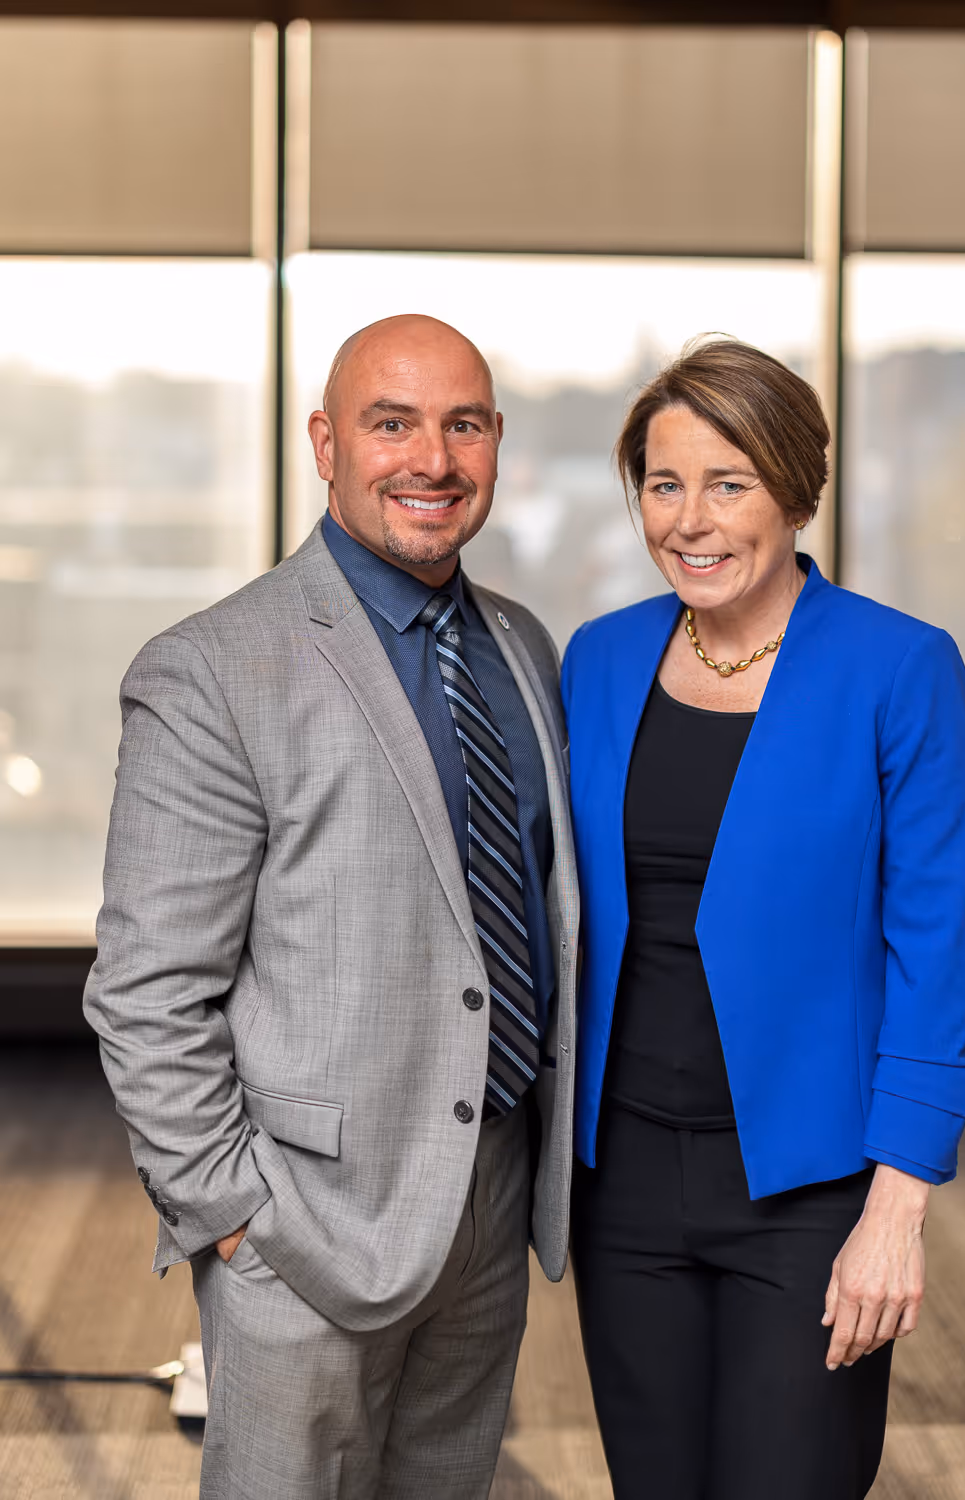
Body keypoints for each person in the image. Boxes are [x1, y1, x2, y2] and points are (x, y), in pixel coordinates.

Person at [84, 314, 578, 1500]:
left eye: (463, 424)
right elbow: (147, 992)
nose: (432, 458)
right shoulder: (213, 667)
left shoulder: (523, 646)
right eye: (390, 422)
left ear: (497, 443)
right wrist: (232, 1220)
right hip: (302, 1225)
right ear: (324, 441)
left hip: (491, 1197)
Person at [561, 338, 965, 1499]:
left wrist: (895, 1210)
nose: (690, 521)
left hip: (807, 1191)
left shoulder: (899, 667)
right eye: (664, 484)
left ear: (796, 490)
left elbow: (936, 953)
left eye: (728, 482)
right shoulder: (597, 661)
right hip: (625, 1182)